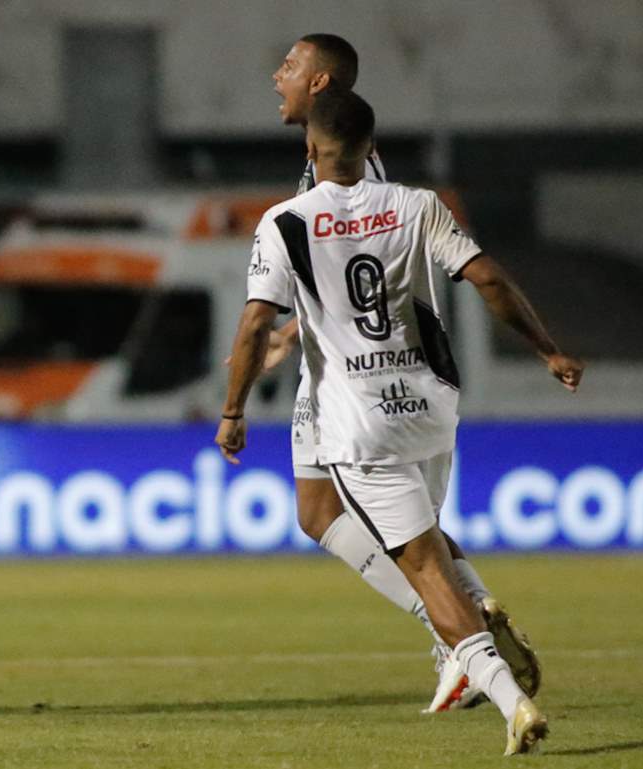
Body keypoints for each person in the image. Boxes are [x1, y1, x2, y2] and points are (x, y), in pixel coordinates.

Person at [218, 88, 582, 754]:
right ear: (370, 147)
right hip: (430, 405)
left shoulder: (284, 220)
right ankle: (477, 619)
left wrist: (233, 408)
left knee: (422, 568)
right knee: (429, 547)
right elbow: (488, 279)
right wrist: (548, 348)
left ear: (310, 146)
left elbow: (251, 323)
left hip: (357, 421)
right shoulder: (415, 204)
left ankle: (508, 697)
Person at [265, 34, 539, 711]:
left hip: (360, 375)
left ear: (323, 84)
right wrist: (291, 329)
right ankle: (461, 625)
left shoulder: (362, 168)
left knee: (361, 517)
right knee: (324, 510)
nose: (278, 75)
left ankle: (457, 631)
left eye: (291, 66)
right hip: (347, 364)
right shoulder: (328, 159)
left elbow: (374, 272)